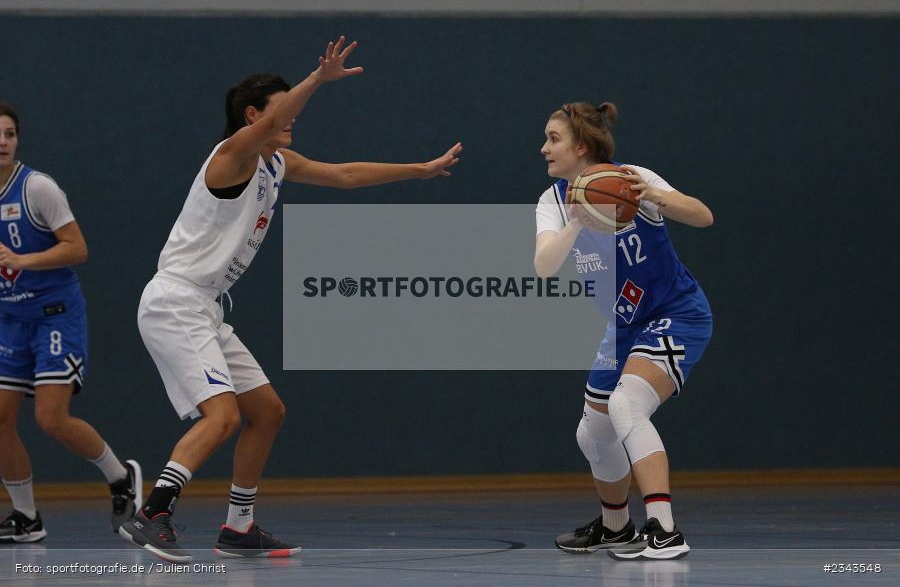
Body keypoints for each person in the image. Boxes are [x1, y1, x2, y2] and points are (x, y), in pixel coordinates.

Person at [118, 36, 462, 562]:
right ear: (255, 115)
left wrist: (420, 169)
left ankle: (238, 527)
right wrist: (318, 80)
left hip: (207, 308)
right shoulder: (231, 156)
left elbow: (344, 174)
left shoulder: (276, 162)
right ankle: (153, 511)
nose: (293, 117)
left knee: (267, 412)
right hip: (175, 301)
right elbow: (267, 125)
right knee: (223, 417)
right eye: (282, 109)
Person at [533, 102, 713, 560]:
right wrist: (578, 217)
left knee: (625, 404)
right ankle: (617, 529)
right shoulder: (552, 202)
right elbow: (544, 266)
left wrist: (654, 195)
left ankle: (665, 529)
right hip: (624, 326)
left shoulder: (631, 179)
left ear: (581, 145)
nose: (544, 148)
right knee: (592, 434)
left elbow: (702, 215)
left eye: (553, 139)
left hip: (676, 312)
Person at [0, 102, 141, 543]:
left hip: (55, 315)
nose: (2, 141)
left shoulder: (37, 188)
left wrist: (24, 259)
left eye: (8, 133)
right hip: (10, 319)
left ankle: (120, 479)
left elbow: (77, 249)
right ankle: (26, 518)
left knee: (50, 418)